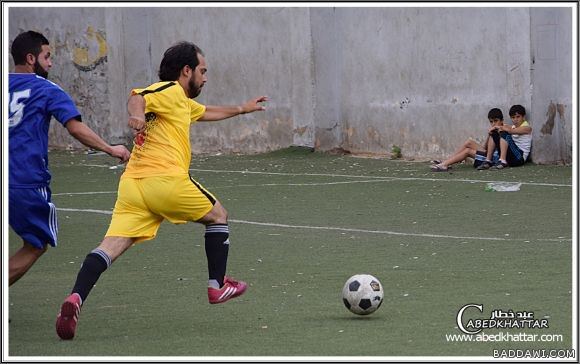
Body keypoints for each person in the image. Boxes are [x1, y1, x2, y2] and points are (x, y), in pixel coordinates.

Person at [55, 41, 268, 340]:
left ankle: (76, 298)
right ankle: (216, 286)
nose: (205, 78)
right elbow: (137, 96)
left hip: (134, 187)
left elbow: (205, 112)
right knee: (218, 215)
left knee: (111, 245)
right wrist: (138, 116)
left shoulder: (181, 102)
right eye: (202, 71)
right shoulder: (168, 90)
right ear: (186, 70)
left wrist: (243, 108)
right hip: (165, 180)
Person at [8, 31, 131, 287]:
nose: (51, 63)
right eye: (47, 56)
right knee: (35, 245)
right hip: (24, 180)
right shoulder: (46, 89)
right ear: (31, 58)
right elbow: (75, 128)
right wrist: (111, 149)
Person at [430, 108, 504, 172]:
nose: (493, 124)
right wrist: (489, 135)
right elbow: (485, 149)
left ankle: (444, 165)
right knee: (469, 142)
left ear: (502, 120)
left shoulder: (504, 130)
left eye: (496, 121)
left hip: (495, 158)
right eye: (491, 122)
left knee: (467, 151)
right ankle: (447, 161)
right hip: (489, 154)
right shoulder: (493, 131)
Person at [477, 104, 532, 170]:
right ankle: (488, 161)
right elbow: (509, 128)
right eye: (513, 117)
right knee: (494, 132)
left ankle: (502, 161)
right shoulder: (513, 127)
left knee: (504, 133)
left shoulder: (527, 128)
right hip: (511, 156)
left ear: (523, 117)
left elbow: (510, 131)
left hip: (519, 158)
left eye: (518, 117)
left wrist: (498, 127)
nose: (515, 119)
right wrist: (494, 129)